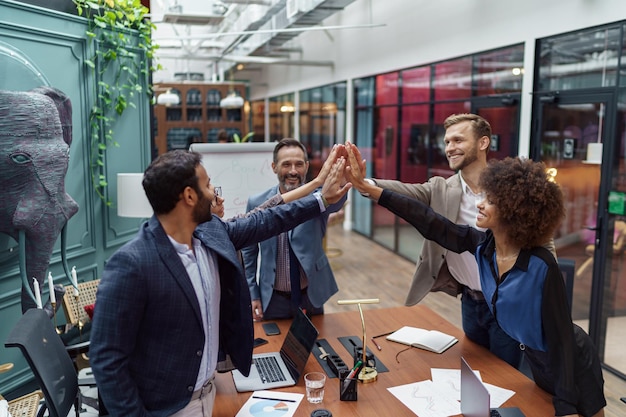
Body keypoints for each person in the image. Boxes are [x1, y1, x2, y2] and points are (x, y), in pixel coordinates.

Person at [346, 147, 606, 417]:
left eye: (490, 201)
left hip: (571, 362)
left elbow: (562, 339)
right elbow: (430, 222)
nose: (479, 204)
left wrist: (566, 406)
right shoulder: (483, 247)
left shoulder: (541, 265)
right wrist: (371, 189)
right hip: (536, 361)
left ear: (514, 211)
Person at [90, 149, 351, 417]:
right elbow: (106, 360)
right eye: (208, 185)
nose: (216, 193)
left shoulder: (210, 233)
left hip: (210, 391)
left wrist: (320, 199)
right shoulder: (131, 264)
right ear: (190, 196)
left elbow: (268, 219)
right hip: (166, 409)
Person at [356, 113, 538, 368]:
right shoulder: (441, 188)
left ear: (483, 143)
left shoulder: (510, 188)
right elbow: (404, 191)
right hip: (471, 302)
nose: (450, 148)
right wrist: (365, 183)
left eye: (458, 140)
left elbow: (540, 241)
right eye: (447, 142)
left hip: (508, 305)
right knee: (476, 369)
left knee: (506, 375)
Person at [241, 138, 348, 321]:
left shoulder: (318, 199)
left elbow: (335, 201)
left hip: (311, 296)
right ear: (274, 167)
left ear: (306, 167)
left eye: (299, 164)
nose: (293, 171)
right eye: (286, 164)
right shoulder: (257, 203)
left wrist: (344, 178)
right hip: (273, 299)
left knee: (317, 345)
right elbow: (249, 253)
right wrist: (253, 293)